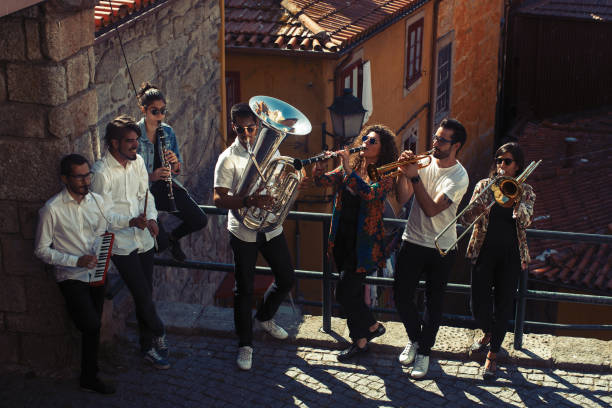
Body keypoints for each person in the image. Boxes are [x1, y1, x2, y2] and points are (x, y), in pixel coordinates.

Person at [34, 154, 148, 393]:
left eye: (88, 175)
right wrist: (76, 260)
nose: (86, 181)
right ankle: (87, 371)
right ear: (65, 179)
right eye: (79, 176)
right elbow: (41, 250)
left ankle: (89, 375)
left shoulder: (97, 200)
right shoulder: (51, 210)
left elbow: (109, 221)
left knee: (92, 329)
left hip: (98, 272)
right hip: (71, 276)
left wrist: (132, 221)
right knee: (90, 324)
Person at [213, 103, 296, 371]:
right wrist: (250, 199)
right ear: (233, 127)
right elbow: (218, 199)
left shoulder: (273, 151)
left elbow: (279, 179)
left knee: (286, 278)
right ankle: (245, 345)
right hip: (243, 229)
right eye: (242, 128)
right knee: (244, 289)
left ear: (258, 125)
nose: (248, 133)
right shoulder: (228, 158)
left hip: (270, 226)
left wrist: (291, 184)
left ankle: (265, 317)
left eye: (252, 127)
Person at [312, 124, 402, 362]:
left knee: (344, 292)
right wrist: (319, 166)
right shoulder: (353, 167)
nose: (365, 143)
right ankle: (362, 340)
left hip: (363, 245)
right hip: (342, 238)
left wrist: (345, 167)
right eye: (365, 138)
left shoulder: (385, 172)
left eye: (372, 141)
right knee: (349, 293)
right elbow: (322, 182)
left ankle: (372, 326)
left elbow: (369, 192)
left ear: (382, 150)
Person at [91, 115, 170, 370]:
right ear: (114, 143)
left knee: (145, 292)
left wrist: (153, 218)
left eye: (136, 140)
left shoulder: (137, 163)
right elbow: (100, 215)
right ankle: (158, 330)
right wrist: (129, 221)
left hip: (144, 238)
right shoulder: (101, 173)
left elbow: (145, 195)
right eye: (129, 141)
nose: (135, 145)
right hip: (121, 243)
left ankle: (147, 348)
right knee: (140, 291)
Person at [394, 118, 469, 379]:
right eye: (436, 137)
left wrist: (414, 176)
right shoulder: (424, 163)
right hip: (412, 239)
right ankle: (416, 340)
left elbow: (431, 209)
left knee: (433, 302)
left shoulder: (459, 177)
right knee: (401, 296)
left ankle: (424, 352)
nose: (435, 143)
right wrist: (403, 173)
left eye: (442, 140)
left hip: (441, 247)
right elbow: (403, 198)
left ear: (456, 145)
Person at [462, 142, 535, 380]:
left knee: (504, 304)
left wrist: (514, 202)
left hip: (511, 255)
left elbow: (526, 220)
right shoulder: (484, 185)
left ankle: (492, 355)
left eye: (507, 161)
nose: (501, 165)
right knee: (477, 303)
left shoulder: (525, 191)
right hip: (483, 251)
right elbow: (465, 219)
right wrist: (478, 208)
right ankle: (488, 332)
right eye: (499, 160)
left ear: (517, 166)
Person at [136, 82, 208, 261]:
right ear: (143, 110)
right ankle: (163, 244)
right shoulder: (134, 134)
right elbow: (129, 175)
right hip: (144, 194)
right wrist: (152, 176)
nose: (160, 116)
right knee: (159, 246)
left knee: (199, 220)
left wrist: (175, 164)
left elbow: (177, 168)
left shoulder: (167, 132)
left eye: (163, 111)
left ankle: (173, 237)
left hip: (165, 187)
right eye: (154, 111)